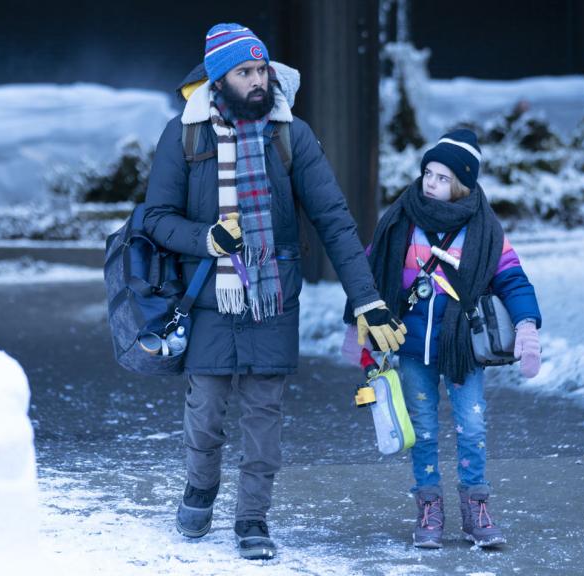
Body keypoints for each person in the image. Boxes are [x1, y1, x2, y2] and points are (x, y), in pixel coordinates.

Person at [143, 22, 407, 560]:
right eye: (245, 72)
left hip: (273, 297)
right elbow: (153, 219)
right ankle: (200, 487)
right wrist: (206, 237)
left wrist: (367, 297)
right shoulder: (185, 135)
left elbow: (333, 219)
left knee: (264, 413)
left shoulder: (290, 134)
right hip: (208, 297)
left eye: (262, 69)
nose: (259, 80)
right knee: (207, 408)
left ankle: (252, 518)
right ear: (221, 79)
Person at [347, 128, 542, 549]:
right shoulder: (401, 219)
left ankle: (476, 507)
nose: (430, 182)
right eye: (428, 173)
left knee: (472, 427)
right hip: (412, 347)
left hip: (463, 350)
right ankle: (429, 508)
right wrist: (356, 329)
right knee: (423, 431)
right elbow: (369, 275)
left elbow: (512, 278)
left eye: (441, 177)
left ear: (461, 185)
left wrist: (526, 325)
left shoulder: (485, 229)